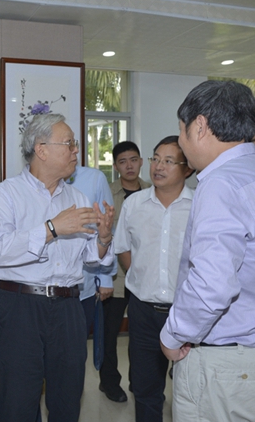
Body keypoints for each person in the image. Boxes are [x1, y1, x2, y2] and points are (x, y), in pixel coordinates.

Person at [0, 113, 115, 422]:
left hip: (69, 306)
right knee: (17, 400)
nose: (76, 150)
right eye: (68, 143)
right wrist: (52, 228)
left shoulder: (78, 197)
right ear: (41, 149)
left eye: (75, 144)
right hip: (20, 305)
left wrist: (104, 238)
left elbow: (90, 257)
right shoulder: (6, 194)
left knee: (67, 397)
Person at [160, 80, 255, 422]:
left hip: (223, 365)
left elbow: (212, 284)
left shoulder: (220, 182)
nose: (181, 142)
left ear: (199, 126)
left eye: (181, 131)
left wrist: (174, 334)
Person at [115, 136, 194, 422]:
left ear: (187, 168)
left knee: (190, 390)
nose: (158, 167)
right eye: (155, 159)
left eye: (168, 161)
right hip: (143, 312)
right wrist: (141, 277)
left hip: (187, 312)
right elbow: (123, 248)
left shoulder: (199, 205)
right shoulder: (134, 204)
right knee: (146, 389)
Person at [100, 141, 151, 402]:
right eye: (122, 161)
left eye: (133, 160)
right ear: (115, 166)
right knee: (109, 335)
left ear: (141, 161)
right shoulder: (107, 194)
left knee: (142, 336)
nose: (129, 166)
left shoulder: (154, 191)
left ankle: (138, 381)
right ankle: (109, 383)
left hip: (146, 277)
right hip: (116, 278)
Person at [66, 166, 116, 336]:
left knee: (77, 343)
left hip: (84, 282)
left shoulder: (94, 178)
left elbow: (107, 228)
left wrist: (105, 277)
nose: (73, 153)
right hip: (45, 289)